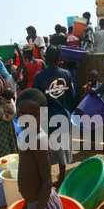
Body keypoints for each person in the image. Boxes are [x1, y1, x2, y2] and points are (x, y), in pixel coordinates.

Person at [16, 88, 71, 209]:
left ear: (43, 115)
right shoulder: (26, 137)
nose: (28, 119)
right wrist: (26, 202)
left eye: (34, 115)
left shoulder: (38, 139)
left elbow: (48, 181)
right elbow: (35, 179)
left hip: (44, 207)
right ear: (16, 113)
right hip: (38, 203)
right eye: (23, 114)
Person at [32, 46, 79, 188]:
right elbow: (73, 96)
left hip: (46, 119)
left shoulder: (39, 76)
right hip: (63, 117)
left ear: (45, 58)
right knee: (62, 151)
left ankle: (46, 179)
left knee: (45, 150)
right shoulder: (67, 74)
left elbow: (35, 99)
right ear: (60, 59)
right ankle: (61, 178)